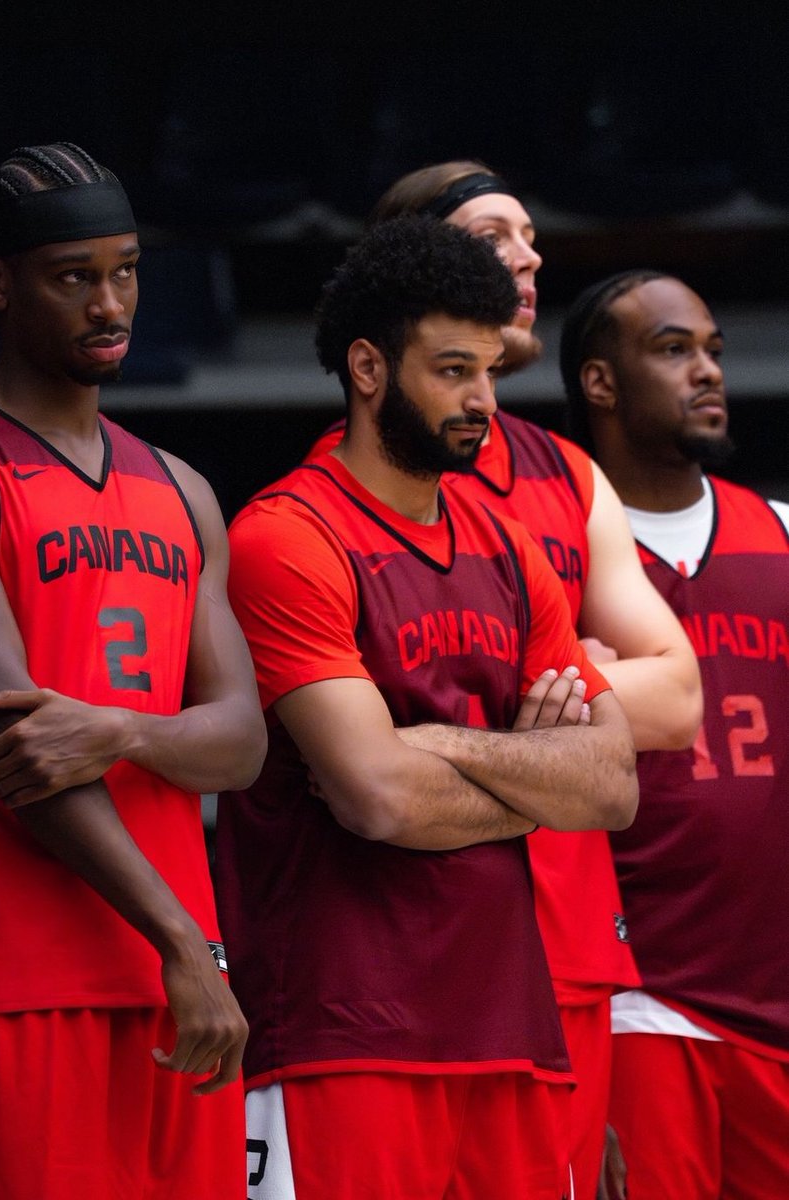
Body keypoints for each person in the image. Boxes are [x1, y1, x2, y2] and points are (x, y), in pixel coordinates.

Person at [0, 142, 267, 1200]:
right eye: (73, 275)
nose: (109, 303)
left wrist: (127, 730)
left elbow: (241, 741)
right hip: (13, 983)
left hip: (179, 996)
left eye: (125, 270)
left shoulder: (181, 489)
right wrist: (183, 937)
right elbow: (18, 744)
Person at [216, 214, 639, 1200]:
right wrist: (532, 772)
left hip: (509, 1032)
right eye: (452, 371)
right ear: (367, 367)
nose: (481, 402)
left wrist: (439, 746)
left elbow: (613, 785)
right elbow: (376, 799)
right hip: (339, 1036)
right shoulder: (286, 537)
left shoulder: (505, 541)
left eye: (490, 373)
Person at [305, 161, 702, 1200]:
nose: (526, 257)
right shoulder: (316, 513)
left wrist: (499, 711)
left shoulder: (565, 472)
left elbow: (675, 702)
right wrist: (563, 708)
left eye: (529, 234)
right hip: (408, 956)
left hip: (571, 941)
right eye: (494, 236)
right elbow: (367, 762)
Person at [561, 270, 789, 1199]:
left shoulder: (778, 532)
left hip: (771, 990)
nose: (707, 372)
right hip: (640, 996)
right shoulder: (552, 551)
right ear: (600, 383)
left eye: (713, 351)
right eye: (672, 349)